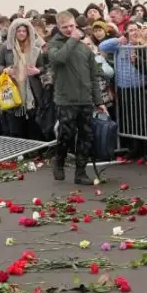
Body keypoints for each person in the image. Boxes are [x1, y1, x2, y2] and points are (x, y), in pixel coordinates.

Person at [46, 11, 106, 184]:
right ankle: (59, 159)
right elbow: (59, 59)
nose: (69, 30)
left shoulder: (84, 48)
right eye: (65, 27)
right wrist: (72, 39)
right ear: (58, 27)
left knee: (86, 136)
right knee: (66, 134)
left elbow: (94, 75)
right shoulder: (54, 44)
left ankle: (80, 172)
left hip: (85, 98)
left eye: (72, 26)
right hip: (66, 99)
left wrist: (98, 101)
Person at [0, 16, 51, 140]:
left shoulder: (36, 49)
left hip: (33, 91)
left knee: (34, 123)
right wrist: (5, 70)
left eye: (24, 31)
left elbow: (44, 67)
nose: (21, 33)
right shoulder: (6, 48)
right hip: (13, 89)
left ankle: (36, 152)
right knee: (16, 123)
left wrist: (37, 71)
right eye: (19, 31)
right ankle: (21, 152)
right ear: (13, 32)